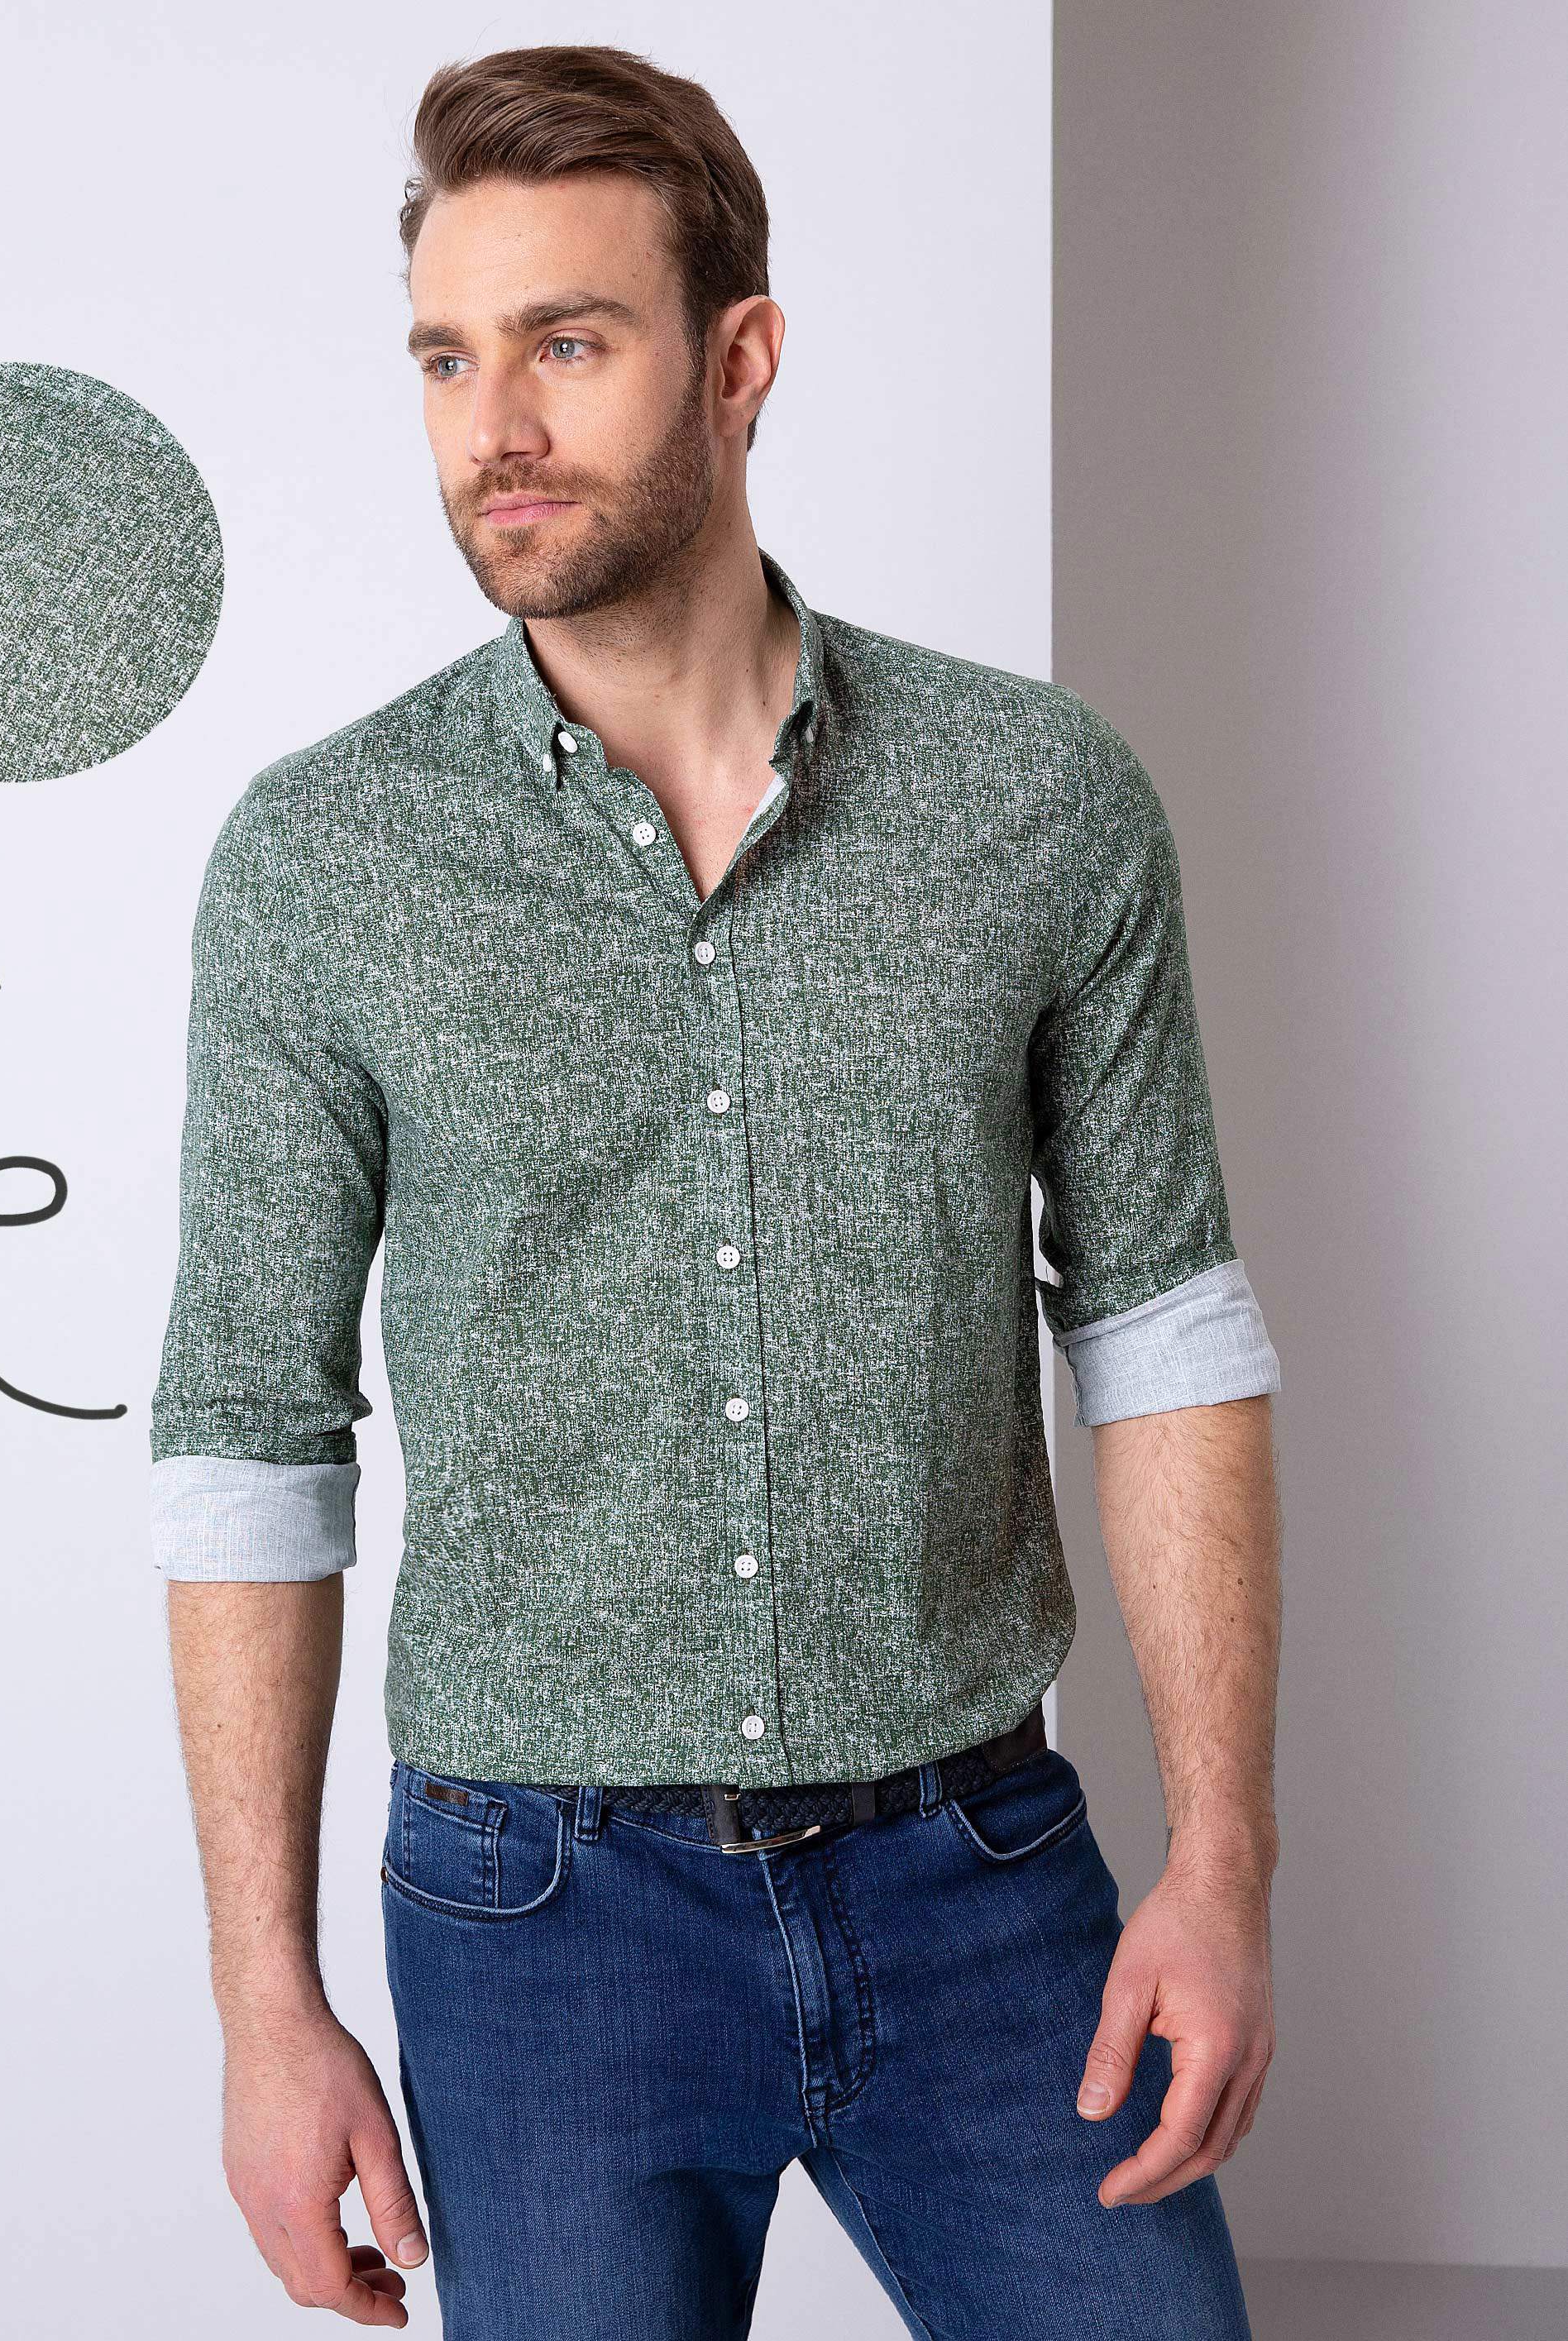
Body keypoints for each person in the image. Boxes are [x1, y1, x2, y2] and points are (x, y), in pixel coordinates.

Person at [149, 42, 1283, 2339]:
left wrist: (1223, 1861)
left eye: (566, 344)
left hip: (983, 1877)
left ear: (739, 357)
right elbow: (248, 1436)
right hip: (534, 1920)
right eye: (447, 359)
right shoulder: (323, 860)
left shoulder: (1036, 801)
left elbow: (1161, 1333)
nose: (493, 426)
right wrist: (265, 2005)